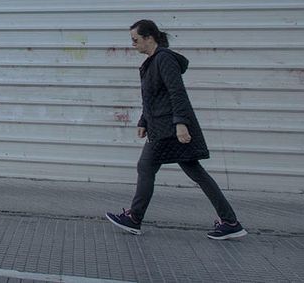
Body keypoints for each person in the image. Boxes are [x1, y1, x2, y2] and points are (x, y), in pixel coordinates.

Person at [105, 19, 247, 240]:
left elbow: (176, 92)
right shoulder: (152, 62)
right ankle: (230, 222)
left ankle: (134, 218)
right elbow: (153, 97)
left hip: (169, 130)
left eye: (135, 40)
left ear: (149, 38)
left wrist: (181, 124)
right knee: (194, 171)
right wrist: (143, 121)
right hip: (163, 126)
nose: (133, 44)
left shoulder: (164, 59)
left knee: (146, 166)